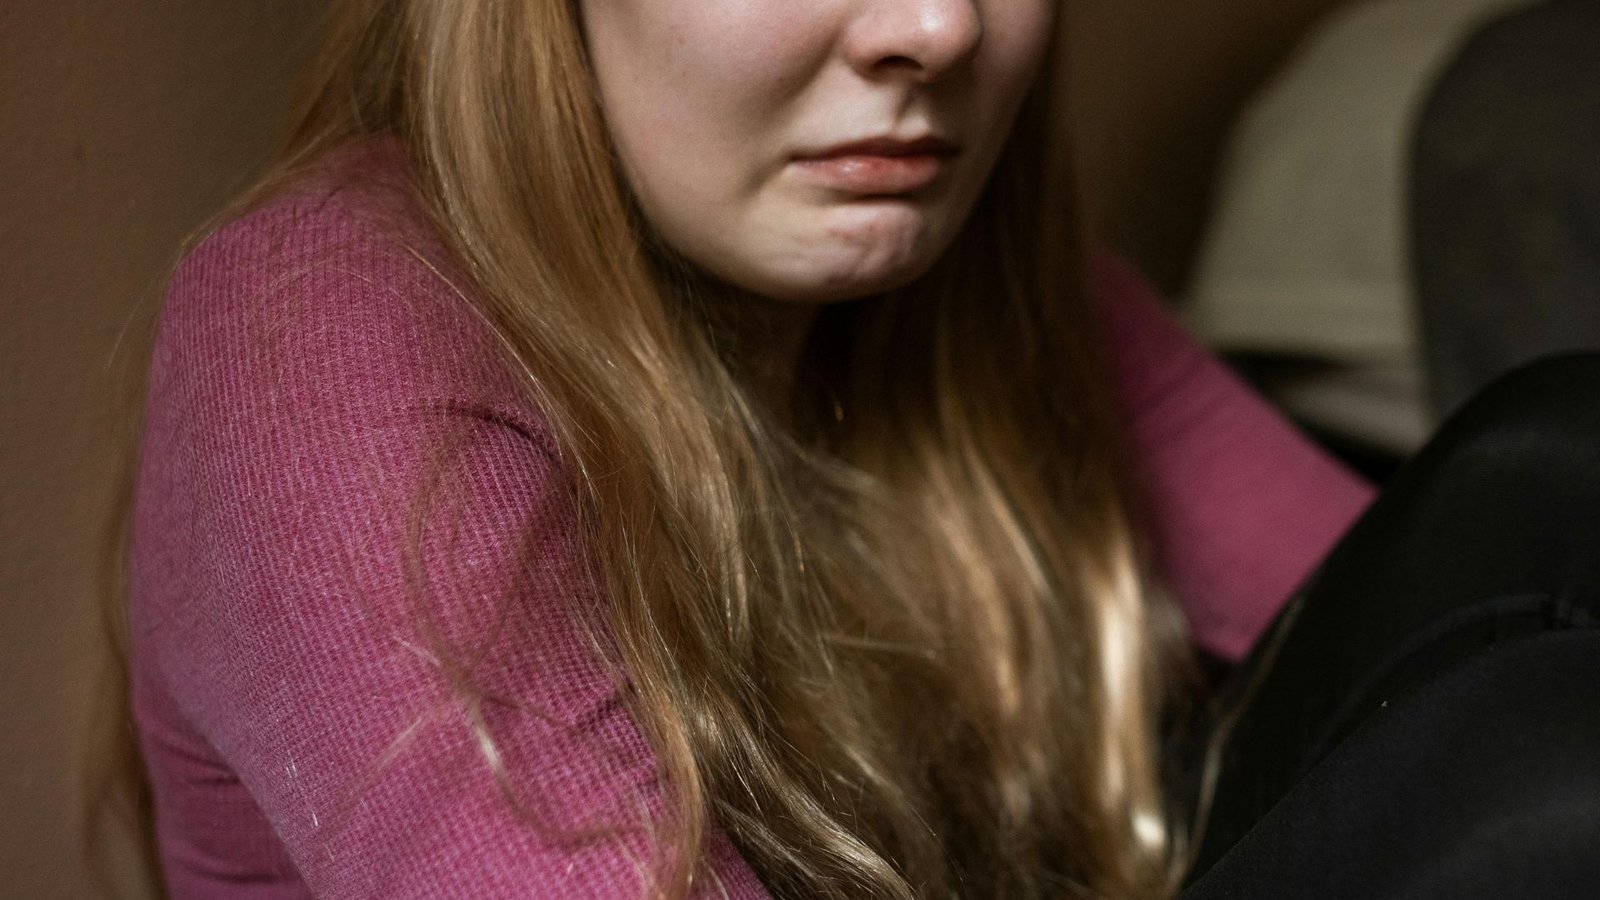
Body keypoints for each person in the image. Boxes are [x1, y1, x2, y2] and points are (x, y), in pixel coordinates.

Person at [92, 0, 1600, 898]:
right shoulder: (313, 326)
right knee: (1537, 783)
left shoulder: (971, 290)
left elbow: (1458, 582)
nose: (938, 27)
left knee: (1552, 454)